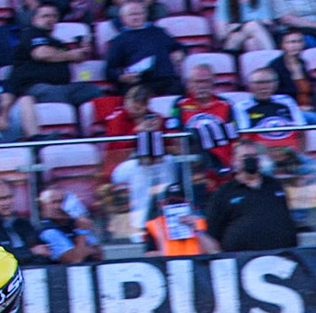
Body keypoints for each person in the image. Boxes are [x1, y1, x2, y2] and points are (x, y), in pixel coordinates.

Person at [99, 82, 173, 239]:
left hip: (153, 164)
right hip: (120, 167)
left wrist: (158, 130)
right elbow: (115, 149)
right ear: (126, 100)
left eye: (141, 104)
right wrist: (136, 132)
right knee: (141, 169)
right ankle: (139, 228)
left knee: (168, 162)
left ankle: (167, 218)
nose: (136, 107)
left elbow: (170, 146)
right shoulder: (116, 118)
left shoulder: (155, 118)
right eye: (134, 102)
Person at [204, 139, 299, 251]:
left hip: (283, 254)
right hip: (243, 258)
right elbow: (213, 232)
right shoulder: (224, 192)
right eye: (246, 156)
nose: (251, 160)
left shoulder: (274, 185)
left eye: (254, 156)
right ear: (235, 161)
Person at [10, 2, 98, 105]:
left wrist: (84, 51)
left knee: (91, 90)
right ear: (34, 20)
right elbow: (41, 54)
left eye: (54, 16)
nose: (50, 19)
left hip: (61, 87)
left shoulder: (57, 43)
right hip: (33, 88)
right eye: (45, 16)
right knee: (59, 95)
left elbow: (77, 58)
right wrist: (70, 55)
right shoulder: (30, 34)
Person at [172, 61, 237, 185]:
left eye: (206, 81)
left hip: (222, 157)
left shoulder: (226, 104)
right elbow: (175, 136)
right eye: (197, 82)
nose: (202, 86)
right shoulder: (179, 104)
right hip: (191, 157)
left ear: (213, 83)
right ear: (189, 83)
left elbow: (233, 136)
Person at [105, 0, 186, 94]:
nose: (136, 17)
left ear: (146, 15)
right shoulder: (119, 40)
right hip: (139, 83)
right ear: (122, 18)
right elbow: (110, 70)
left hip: (166, 81)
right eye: (132, 14)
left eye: (139, 13)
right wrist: (122, 77)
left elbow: (178, 47)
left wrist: (179, 52)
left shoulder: (158, 32)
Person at [143, 181, 217, 255]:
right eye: (171, 202)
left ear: (188, 203)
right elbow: (148, 255)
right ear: (163, 204)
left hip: (196, 264)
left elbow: (214, 251)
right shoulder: (155, 224)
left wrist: (196, 230)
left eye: (179, 202)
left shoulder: (200, 222)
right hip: (168, 264)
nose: (175, 205)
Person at [0, 179, 42, 263]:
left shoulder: (25, 224)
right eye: (0, 199)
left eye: (9, 197)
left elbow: (41, 251)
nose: (5, 203)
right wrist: (31, 252)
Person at [269, 28, 316, 121]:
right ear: (282, 45)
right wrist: (298, 108)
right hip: (287, 112)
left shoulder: (303, 64)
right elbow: (275, 98)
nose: (296, 45)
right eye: (291, 42)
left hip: (309, 109)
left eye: (299, 42)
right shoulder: (275, 67)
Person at [37, 188, 103, 263]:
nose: (58, 206)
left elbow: (98, 253)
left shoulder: (73, 223)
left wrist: (83, 250)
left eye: (61, 202)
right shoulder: (48, 231)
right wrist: (82, 232)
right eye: (54, 202)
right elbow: (75, 260)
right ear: (43, 205)